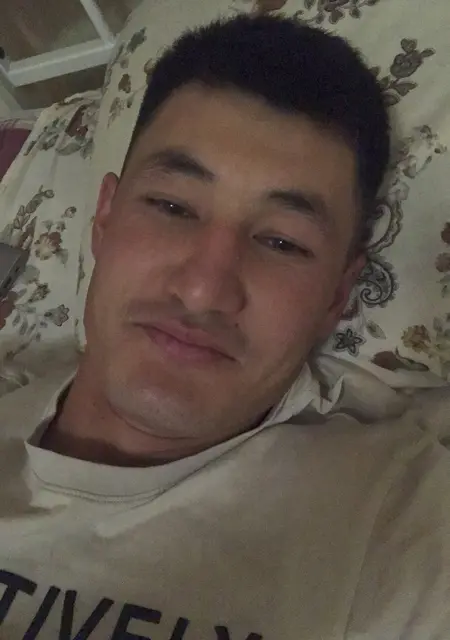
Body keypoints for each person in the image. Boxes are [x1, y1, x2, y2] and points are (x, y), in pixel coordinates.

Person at [0, 13, 449, 640]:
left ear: (337, 296)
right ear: (103, 221)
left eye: (282, 242)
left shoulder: (401, 531)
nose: (203, 289)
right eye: (172, 206)